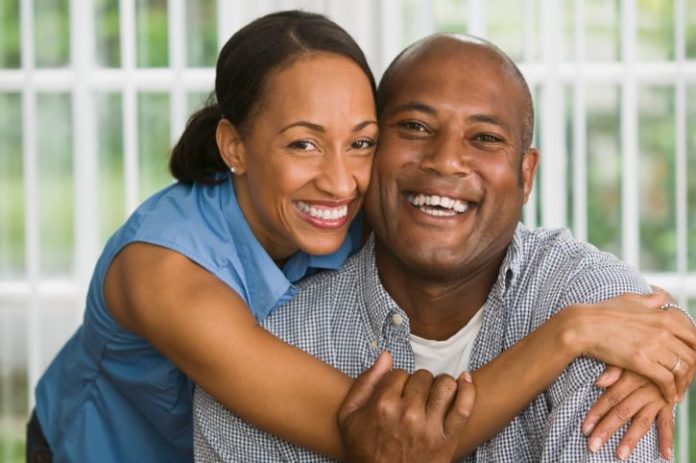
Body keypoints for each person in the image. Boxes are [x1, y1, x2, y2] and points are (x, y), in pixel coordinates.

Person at [192, 34, 696, 462]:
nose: (446, 161)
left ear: (526, 174)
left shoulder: (600, 306)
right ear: (371, 149)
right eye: (414, 127)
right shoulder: (271, 346)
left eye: (485, 137)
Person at [28, 10, 379, 462]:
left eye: (361, 143)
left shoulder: (336, 212)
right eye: (303, 144)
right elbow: (370, 432)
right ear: (234, 146)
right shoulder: (165, 272)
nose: (341, 182)